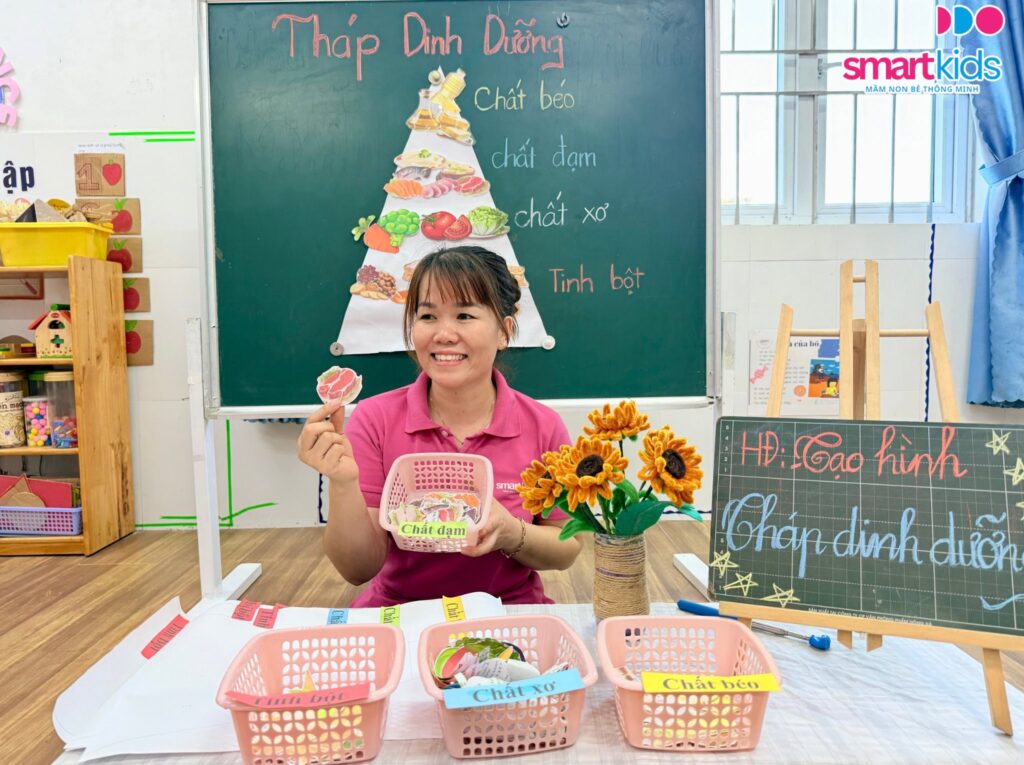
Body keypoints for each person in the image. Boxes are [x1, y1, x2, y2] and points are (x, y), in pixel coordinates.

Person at [298, 246, 582, 606]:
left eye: (464, 315)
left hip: (507, 610)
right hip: (400, 611)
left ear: (503, 331)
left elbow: (567, 546)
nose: (444, 334)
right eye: (428, 316)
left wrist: (512, 533)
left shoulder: (543, 425)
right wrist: (342, 483)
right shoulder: (374, 419)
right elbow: (357, 570)